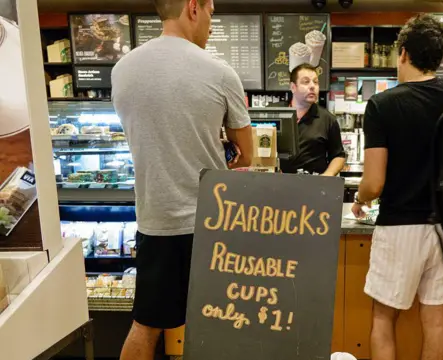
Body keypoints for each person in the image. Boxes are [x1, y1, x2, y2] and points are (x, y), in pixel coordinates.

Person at [111, 0, 253, 359]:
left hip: (154, 220)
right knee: (220, 325)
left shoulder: (122, 69)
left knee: (146, 325)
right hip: (211, 223)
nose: (209, 22)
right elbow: (247, 154)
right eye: (211, 13)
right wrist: (219, 144)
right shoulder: (219, 72)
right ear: (193, 7)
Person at [352, 14, 443, 360]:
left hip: (400, 227)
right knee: (435, 320)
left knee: (384, 317)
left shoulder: (383, 105)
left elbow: (374, 183)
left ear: (402, 53)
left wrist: (360, 199)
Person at [281, 63, 346, 176]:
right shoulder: (274, 112)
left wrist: (326, 177)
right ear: (293, 87)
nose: (312, 86)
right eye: (306, 82)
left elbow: (338, 156)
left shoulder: (328, 119)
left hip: (313, 186)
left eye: (315, 82)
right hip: (275, 185)